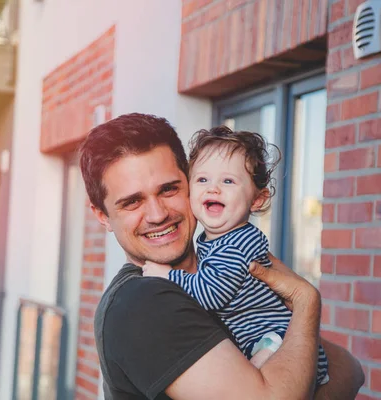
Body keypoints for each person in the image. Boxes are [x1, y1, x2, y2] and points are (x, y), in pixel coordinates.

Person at [80, 113, 365, 399]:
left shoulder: (226, 259)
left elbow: (351, 369)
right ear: (102, 216)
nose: (158, 215)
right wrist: (306, 301)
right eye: (132, 202)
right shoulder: (142, 301)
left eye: (169, 189)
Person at [141, 127, 329, 383]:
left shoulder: (237, 243)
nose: (213, 189)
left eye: (228, 181)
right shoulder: (214, 240)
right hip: (261, 338)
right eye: (202, 180)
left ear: (257, 199)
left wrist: (167, 274)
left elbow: (210, 295)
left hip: (276, 338)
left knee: (251, 386)